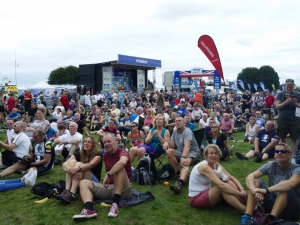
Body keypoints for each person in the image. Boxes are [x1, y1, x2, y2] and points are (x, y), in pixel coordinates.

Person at [238, 142, 300, 224]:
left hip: (291, 208)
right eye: (277, 151)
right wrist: (254, 190)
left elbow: (291, 183)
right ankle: (247, 217)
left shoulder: (296, 168)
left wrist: (266, 190)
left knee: (284, 188)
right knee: (256, 182)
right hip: (273, 202)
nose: (279, 153)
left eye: (283, 151)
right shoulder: (271, 165)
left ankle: (270, 220)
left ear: (289, 155)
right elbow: (250, 177)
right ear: (274, 155)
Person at [72, 134, 132, 219]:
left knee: (119, 169)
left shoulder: (122, 152)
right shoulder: (106, 155)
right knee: (83, 183)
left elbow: (122, 162)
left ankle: (115, 204)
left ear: (116, 142)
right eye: (104, 142)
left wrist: (108, 175)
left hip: (125, 189)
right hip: (110, 188)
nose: (106, 144)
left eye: (109, 141)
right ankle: (89, 209)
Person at [189, 144, 247, 212]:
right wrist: (239, 193)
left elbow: (231, 177)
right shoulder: (204, 167)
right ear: (206, 155)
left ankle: (250, 206)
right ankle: (246, 210)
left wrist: (242, 189)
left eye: (216, 153)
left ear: (219, 156)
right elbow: (221, 185)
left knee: (228, 182)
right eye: (211, 153)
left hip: (207, 192)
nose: (214, 155)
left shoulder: (215, 164)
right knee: (222, 188)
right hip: (196, 198)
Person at [56, 136, 103, 203]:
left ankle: (72, 194)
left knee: (79, 164)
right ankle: (67, 190)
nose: (86, 143)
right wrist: (70, 169)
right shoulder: (80, 153)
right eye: (85, 141)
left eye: (89, 142)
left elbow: (91, 165)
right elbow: (64, 164)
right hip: (79, 179)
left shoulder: (98, 154)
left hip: (94, 182)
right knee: (71, 162)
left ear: (94, 145)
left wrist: (77, 169)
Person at [163, 116, 201, 194]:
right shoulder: (175, 131)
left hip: (193, 152)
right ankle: (179, 174)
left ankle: (180, 183)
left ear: (184, 123)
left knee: (185, 162)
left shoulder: (187, 131)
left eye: (179, 121)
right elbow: (172, 146)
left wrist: (183, 157)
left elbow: (187, 146)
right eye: (176, 121)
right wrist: (167, 142)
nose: (177, 122)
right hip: (181, 151)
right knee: (169, 151)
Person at [275, 78, 300, 163]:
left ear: (294, 85)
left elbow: (299, 106)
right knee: (282, 138)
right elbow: (277, 106)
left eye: (291, 86)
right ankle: (280, 154)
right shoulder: (281, 94)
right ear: (285, 85)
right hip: (283, 117)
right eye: (288, 86)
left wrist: (294, 103)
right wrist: (286, 102)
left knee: (294, 138)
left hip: (295, 118)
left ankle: (293, 157)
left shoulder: (298, 94)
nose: (289, 88)